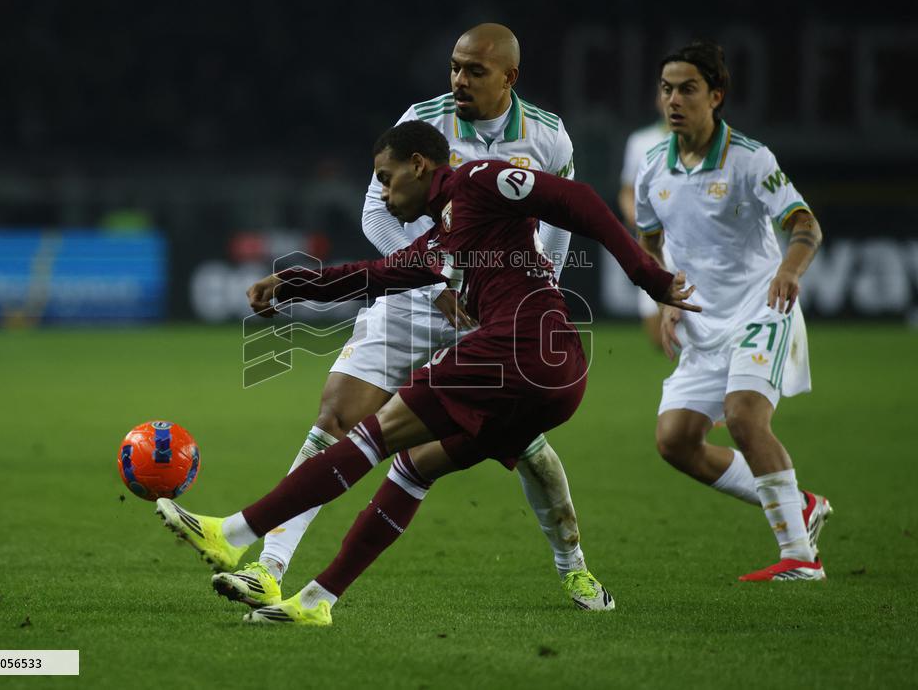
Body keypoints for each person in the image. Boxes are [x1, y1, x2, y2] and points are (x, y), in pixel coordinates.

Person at [154, 120, 699, 626]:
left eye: (387, 180)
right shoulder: (442, 237)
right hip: (558, 378)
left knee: (372, 436)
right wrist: (293, 283)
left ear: (419, 165)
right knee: (413, 468)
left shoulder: (479, 180)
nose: (385, 197)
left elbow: (577, 199)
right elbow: (374, 273)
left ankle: (232, 533)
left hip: (517, 346)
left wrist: (648, 277)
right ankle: (317, 601)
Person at [215, 23, 608, 612]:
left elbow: (556, 224)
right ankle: (268, 568)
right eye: (454, 66)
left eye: (474, 70)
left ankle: (573, 566)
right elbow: (376, 212)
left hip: (499, 313)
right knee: (336, 415)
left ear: (509, 77)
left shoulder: (549, 138)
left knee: (529, 450)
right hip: (417, 295)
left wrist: (524, 294)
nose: (459, 80)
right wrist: (441, 278)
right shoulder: (424, 118)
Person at [634, 41, 832, 582]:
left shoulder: (749, 158)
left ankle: (800, 556)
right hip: (702, 321)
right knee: (675, 441)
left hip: (762, 309)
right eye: (667, 88)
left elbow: (804, 225)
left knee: (745, 416)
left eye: (688, 89)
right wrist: (664, 295)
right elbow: (648, 242)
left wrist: (789, 270)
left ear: (716, 96)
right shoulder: (654, 169)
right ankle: (802, 505)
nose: (674, 99)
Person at [618, 112, 671, 346]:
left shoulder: (709, 142)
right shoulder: (641, 141)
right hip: (653, 240)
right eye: (667, 90)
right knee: (656, 335)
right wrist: (636, 218)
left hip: (694, 242)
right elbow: (627, 191)